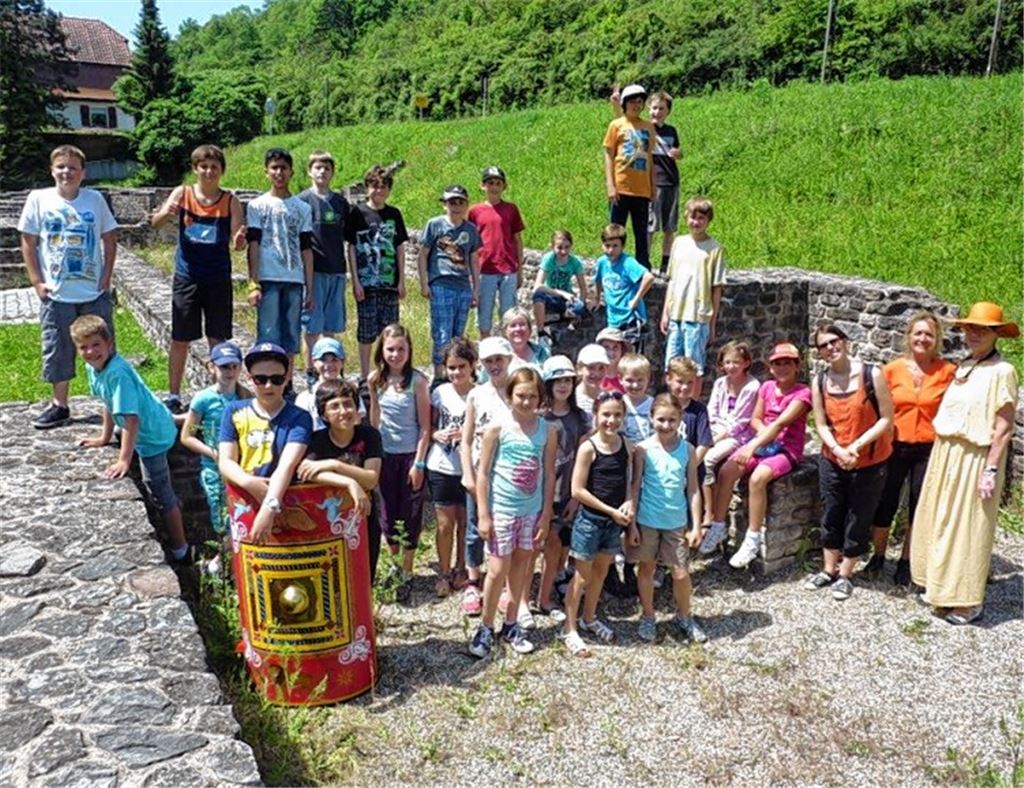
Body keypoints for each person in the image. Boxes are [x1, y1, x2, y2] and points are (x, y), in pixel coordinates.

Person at [911, 303, 1019, 625]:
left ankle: (967, 601)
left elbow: (1003, 427)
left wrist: (990, 468)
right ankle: (941, 587)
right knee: (941, 518)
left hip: (975, 456)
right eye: (971, 328)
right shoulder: (965, 365)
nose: (974, 334)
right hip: (947, 451)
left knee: (968, 526)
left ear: (996, 334)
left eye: (982, 329)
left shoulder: (1003, 371)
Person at [71, 315, 190, 562]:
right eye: (83, 347)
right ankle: (179, 418)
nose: (90, 351)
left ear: (110, 344)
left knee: (159, 491)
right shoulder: (95, 367)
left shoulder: (118, 373)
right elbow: (108, 402)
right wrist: (104, 437)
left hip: (152, 437)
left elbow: (131, 419)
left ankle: (182, 548)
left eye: (96, 344)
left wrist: (125, 459)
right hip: (153, 417)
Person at [19, 145, 118, 430]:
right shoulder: (39, 199)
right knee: (57, 347)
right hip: (57, 291)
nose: (67, 172)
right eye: (61, 166)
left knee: (104, 346)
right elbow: (28, 240)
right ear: (52, 170)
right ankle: (60, 404)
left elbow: (110, 238)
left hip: (92, 290)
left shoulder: (94, 200)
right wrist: (36, 281)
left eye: (73, 167)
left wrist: (106, 277)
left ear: (83, 173)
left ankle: (112, 405)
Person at [469, 368, 557, 658]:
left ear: (540, 398)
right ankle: (485, 626)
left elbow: (548, 474)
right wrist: (484, 513)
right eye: (521, 395)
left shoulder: (547, 430)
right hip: (503, 511)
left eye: (533, 396)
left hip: (531, 512)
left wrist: (545, 515)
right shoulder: (497, 427)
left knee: (522, 566)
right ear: (510, 396)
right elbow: (482, 473)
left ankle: (510, 622)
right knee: (497, 569)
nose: (526, 401)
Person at [151, 144, 245, 414]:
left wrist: (239, 240)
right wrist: (168, 212)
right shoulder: (183, 193)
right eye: (203, 166)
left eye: (214, 167)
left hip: (217, 277)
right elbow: (155, 223)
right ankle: (173, 394)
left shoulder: (230, 201)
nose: (208, 171)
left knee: (218, 338)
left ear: (221, 171)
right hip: (187, 276)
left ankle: (223, 392)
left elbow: (238, 242)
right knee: (180, 338)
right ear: (195, 168)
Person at [806, 325, 894, 601]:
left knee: (859, 516)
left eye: (834, 342)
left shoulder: (871, 374)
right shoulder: (820, 381)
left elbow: (886, 418)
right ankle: (829, 569)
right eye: (824, 345)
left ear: (845, 342)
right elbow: (820, 422)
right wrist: (837, 449)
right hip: (833, 458)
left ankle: (846, 574)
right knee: (831, 512)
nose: (831, 348)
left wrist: (854, 447)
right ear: (819, 352)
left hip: (868, 459)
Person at [707, 343, 813, 569]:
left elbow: (782, 422)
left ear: (797, 366)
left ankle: (752, 538)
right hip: (763, 445)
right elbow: (756, 418)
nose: (782, 367)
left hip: (786, 449)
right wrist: (761, 440)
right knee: (727, 471)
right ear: (770, 367)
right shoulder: (766, 388)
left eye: (787, 363)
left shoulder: (803, 393)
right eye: (777, 363)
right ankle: (718, 525)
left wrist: (752, 446)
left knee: (758, 478)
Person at [868, 312, 955, 586]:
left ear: (936, 339)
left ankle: (907, 561)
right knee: (885, 502)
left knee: (919, 505)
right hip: (894, 445)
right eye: (917, 333)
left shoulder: (948, 372)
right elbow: (876, 408)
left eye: (928, 334)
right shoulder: (891, 370)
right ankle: (879, 556)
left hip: (928, 448)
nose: (922, 338)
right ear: (908, 337)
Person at [627, 393, 707, 643]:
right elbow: (636, 486)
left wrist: (695, 525)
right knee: (647, 570)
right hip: (648, 520)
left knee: (681, 573)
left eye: (672, 420)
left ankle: (685, 615)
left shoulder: (688, 450)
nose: (666, 425)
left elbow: (693, 488)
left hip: (675, 523)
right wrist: (632, 525)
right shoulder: (643, 450)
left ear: (680, 420)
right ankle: (648, 616)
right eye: (661, 419)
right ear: (651, 418)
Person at [561, 391, 635, 657]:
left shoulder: (626, 445)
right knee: (581, 577)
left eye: (617, 415)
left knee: (601, 574)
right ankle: (569, 628)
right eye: (606, 414)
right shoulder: (588, 448)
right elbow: (577, 490)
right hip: (590, 522)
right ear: (596, 416)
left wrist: (628, 503)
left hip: (613, 524)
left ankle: (589, 617)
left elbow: (628, 480)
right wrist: (610, 511)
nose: (611, 420)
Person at [218, 342, 313, 543]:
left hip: (282, 502)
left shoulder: (300, 417)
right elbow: (225, 461)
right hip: (244, 502)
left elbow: (287, 464)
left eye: (276, 379)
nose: (268, 386)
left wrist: (269, 506)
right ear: (249, 379)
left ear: (287, 379)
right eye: (261, 379)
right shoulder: (234, 412)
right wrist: (250, 483)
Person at [297, 378, 384, 581]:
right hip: (326, 522)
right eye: (334, 406)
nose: (343, 411)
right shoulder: (316, 440)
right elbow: (306, 472)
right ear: (323, 414)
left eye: (348, 404)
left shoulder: (369, 435)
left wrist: (334, 465)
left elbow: (371, 479)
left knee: (363, 578)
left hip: (363, 519)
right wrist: (349, 482)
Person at [367, 324, 430, 601]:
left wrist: (419, 464)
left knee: (411, 511)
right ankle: (393, 566)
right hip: (384, 455)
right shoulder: (376, 380)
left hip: (409, 455)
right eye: (390, 349)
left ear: (409, 351)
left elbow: (426, 427)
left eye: (401, 349)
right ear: (382, 350)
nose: (395, 354)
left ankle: (407, 569)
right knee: (387, 513)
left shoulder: (417, 381)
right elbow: (374, 418)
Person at [180, 341, 248, 574]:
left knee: (241, 518)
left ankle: (228, 565)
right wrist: (213, 453)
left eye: (233, 366)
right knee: (221, 520)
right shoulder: (203, 399)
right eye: (223, 367)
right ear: (212, 368)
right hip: (213, 469)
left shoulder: (246, 397)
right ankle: (224, 564)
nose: (229, 372)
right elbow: (187, 436)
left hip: (242, 469)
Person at [459, 337, 514, 615]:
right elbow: (466, 440)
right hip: (481, 473)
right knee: (474, 528)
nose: (494, 365)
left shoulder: (518, 391)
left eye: (499, 360)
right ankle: (473, 580)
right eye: (488, 361)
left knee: (505, 529)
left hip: (509, 476)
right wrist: (467, 474)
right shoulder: (476, 394)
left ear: (509, 360)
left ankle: (503, 582)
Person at [245, 148, 314, 362]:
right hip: (268, 278)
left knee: (291, 337)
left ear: (291, 172)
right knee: (268, 335)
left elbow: (306, 249)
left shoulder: (303, 208)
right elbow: (253, 246)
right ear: (266, 172)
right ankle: (269, 380)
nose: (279, 173)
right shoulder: (257, 206)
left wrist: (309, 287)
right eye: (274, 168)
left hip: (294, 278)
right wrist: (253, 283)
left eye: (283, 168)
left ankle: (288, 383)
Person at [536, 355, 589, 620]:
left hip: (568, 493)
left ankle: (547, 595)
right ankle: (533, 598)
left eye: (567, 380)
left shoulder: (580, 418)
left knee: (558, 546)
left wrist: (576, 497)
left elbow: (582, 459)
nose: (563, 385)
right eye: (557, 380)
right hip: (539, 495)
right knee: (543, 546)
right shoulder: (538, 417)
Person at [349, 165, 409, 380]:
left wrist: (402, 281)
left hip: (389, 282)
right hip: (366, 283)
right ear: (367, 187)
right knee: (366, 332)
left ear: (389, 190)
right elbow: (352, 248)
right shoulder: (357, 213)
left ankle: (386, 372)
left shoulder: (394, 214)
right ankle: (365, 375)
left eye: (383, 187)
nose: (379, 191)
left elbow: (400, 248)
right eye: (374, 186)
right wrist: (355, 281)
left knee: (389, 332)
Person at [427, 337, 477, 597]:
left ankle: (461, 568)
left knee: (465, 523)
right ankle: (444, 571)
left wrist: (469, 434)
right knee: (444, 524)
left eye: (461, 366)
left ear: (472, 366)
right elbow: (430, 425)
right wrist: (436, 434)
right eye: (451, 367)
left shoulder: (479, 394)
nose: (456, 372)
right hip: (441, 465)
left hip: (468, 467)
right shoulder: (439, 392)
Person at [297, 150, 351, 387]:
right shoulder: (302, 201)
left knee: (331, 326)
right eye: (317, 168)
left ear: (332, 173)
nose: (322, 172)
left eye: (327, 168)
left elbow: (349, 237)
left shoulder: (340, 203)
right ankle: (310, 370)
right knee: (311, 327)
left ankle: (330, 370)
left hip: (337, 269)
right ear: (310, 171)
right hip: (313, 272)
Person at [660, 197, 725, 392]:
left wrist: (712, 323)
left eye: (701, 218)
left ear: (708, 220)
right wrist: (665, 311)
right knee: (671, 365)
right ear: (686, 217)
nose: (696, 222)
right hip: (676, 314)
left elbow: (717, 288)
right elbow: (671, 280)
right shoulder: (678, 243)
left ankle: (693, 409)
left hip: (698, 315)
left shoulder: (715, 249)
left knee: (694, 367)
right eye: (692, 217)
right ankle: (672, 405)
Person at [417, 184, 481, 380]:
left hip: (462, 286)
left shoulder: (470, 229)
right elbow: (423, 254)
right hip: (441, 283)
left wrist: (475, 289)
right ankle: (439, 375)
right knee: (442, 333)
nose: (456, 206)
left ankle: (456, 374)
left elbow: (474, 259)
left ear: (466, 205)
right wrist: (424, 282)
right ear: (445, 204)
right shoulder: (435, 225)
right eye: (452, 202)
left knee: (458, 335)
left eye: (460, 202)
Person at [699, 342, 759, 551]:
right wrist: (710, 433)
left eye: (736, 362)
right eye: (727, 362)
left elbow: (741, 422)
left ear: (746, 363)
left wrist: (713, 440)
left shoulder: (752, 386)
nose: (731, 366)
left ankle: (711, 516)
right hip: (718, 430)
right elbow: (711, 411)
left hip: (739, 437)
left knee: (707, 460)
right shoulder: (720, 383)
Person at [470, 166, 525, 338]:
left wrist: (520, 271)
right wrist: (471, 272)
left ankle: (507, 348)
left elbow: (517, 240)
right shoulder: (474, 211)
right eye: (490, 183)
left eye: (498, 183)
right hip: (485, 269)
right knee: (484, 313)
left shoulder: (511, 209)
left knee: (508, 314)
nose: (494, 187)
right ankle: (486, 346)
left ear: (504, 186)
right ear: (482, 186)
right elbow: (470, 244)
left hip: (508, 269)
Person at [603, 84, 655, 268]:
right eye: (632, 101)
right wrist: (610, 185)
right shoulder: (616, 125)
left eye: (640, 101)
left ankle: (643, 268)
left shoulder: (648, 127)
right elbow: (609, 155)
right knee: (616, 231)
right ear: (625, 103)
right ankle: (613, 265)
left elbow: (649, 157)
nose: (636, 105)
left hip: (642, 190)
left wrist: (653, 186)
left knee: (641, 232)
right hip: (621, 188)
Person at [593, 223, 655, 334]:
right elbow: (598, 279)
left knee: (629, 351)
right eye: (607, 245)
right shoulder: (602, 262)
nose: (611, 250)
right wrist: (597, 298)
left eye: (615, 246)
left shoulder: (628, 263)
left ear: (623, 246)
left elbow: (648, 277)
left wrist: (636, 299)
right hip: (613, 319)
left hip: (631, 319)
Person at [646, 91, 682, 274]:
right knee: (650, 226)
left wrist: (678, 154)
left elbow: (678, 152)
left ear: (668, 111)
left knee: (670, 228)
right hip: (653, 183)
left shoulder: (671, 131)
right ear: (648, 109)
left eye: (661, 108)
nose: (657, 112)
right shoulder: (645, 129)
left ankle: (664, 266)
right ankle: (645, 263)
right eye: (654, 108)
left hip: (672, 181)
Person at [531, 229, 591, 337]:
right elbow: (537, 286)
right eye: (559, 248)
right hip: (550, 295)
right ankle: (541, 331)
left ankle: (561, 316)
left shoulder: (574, 262)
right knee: (537, 296)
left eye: (566, 247)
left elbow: (583, 288)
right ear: (552, 247)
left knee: (580, 307)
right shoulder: (549, 259)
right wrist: (561, 293)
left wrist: (581, 303)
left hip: (566, 300)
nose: (563, 251)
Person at [294, 337, 346, 431]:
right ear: (314, 362)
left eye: (334, 359)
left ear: (342, 362)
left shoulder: (351, 393)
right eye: (323, 360)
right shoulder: (305, 398)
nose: (329, 365)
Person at [620, 352, 654, 444]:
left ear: (648, 379)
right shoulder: (619, 403)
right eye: (629, 380)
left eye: (640, 380)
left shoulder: (654, 405)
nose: (635, 385)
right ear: (620, 379)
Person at [575, 343, 610, 415]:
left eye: (601, 368)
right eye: (591, 367)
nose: (596, 373)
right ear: (579, 369)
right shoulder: (572, 400)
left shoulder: (610, 399)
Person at [595, 326, 630, 393]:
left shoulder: (628, 373)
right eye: (606, 347)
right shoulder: (593, 374)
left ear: (622, 349)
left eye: (615, 347)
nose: (611, 352)